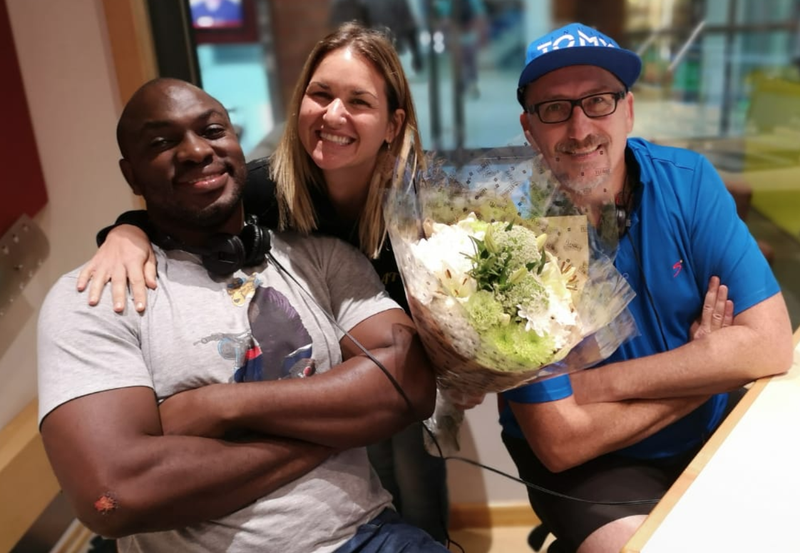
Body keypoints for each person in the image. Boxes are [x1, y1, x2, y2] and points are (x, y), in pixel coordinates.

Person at [74, 23, 456, 544]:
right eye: (320, 95)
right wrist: (126, 230)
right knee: (374, 466)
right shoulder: (260, 187)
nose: (334, 114)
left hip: (398, 365)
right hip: (316, 368)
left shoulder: (427, 208)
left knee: (415, 470)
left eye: (358, 101)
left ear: (392, 124)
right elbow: (185, 210)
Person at [503, 22, 794, 552]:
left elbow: (771, 341)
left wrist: (593, 387)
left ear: (628, 111)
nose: (580, 127)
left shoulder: (689, 181)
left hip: (710, 430)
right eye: (555, 109)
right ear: (529, 128)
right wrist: (705, 372)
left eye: (599, 101)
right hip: (597, 466)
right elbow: (562, 441)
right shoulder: (509, 240)